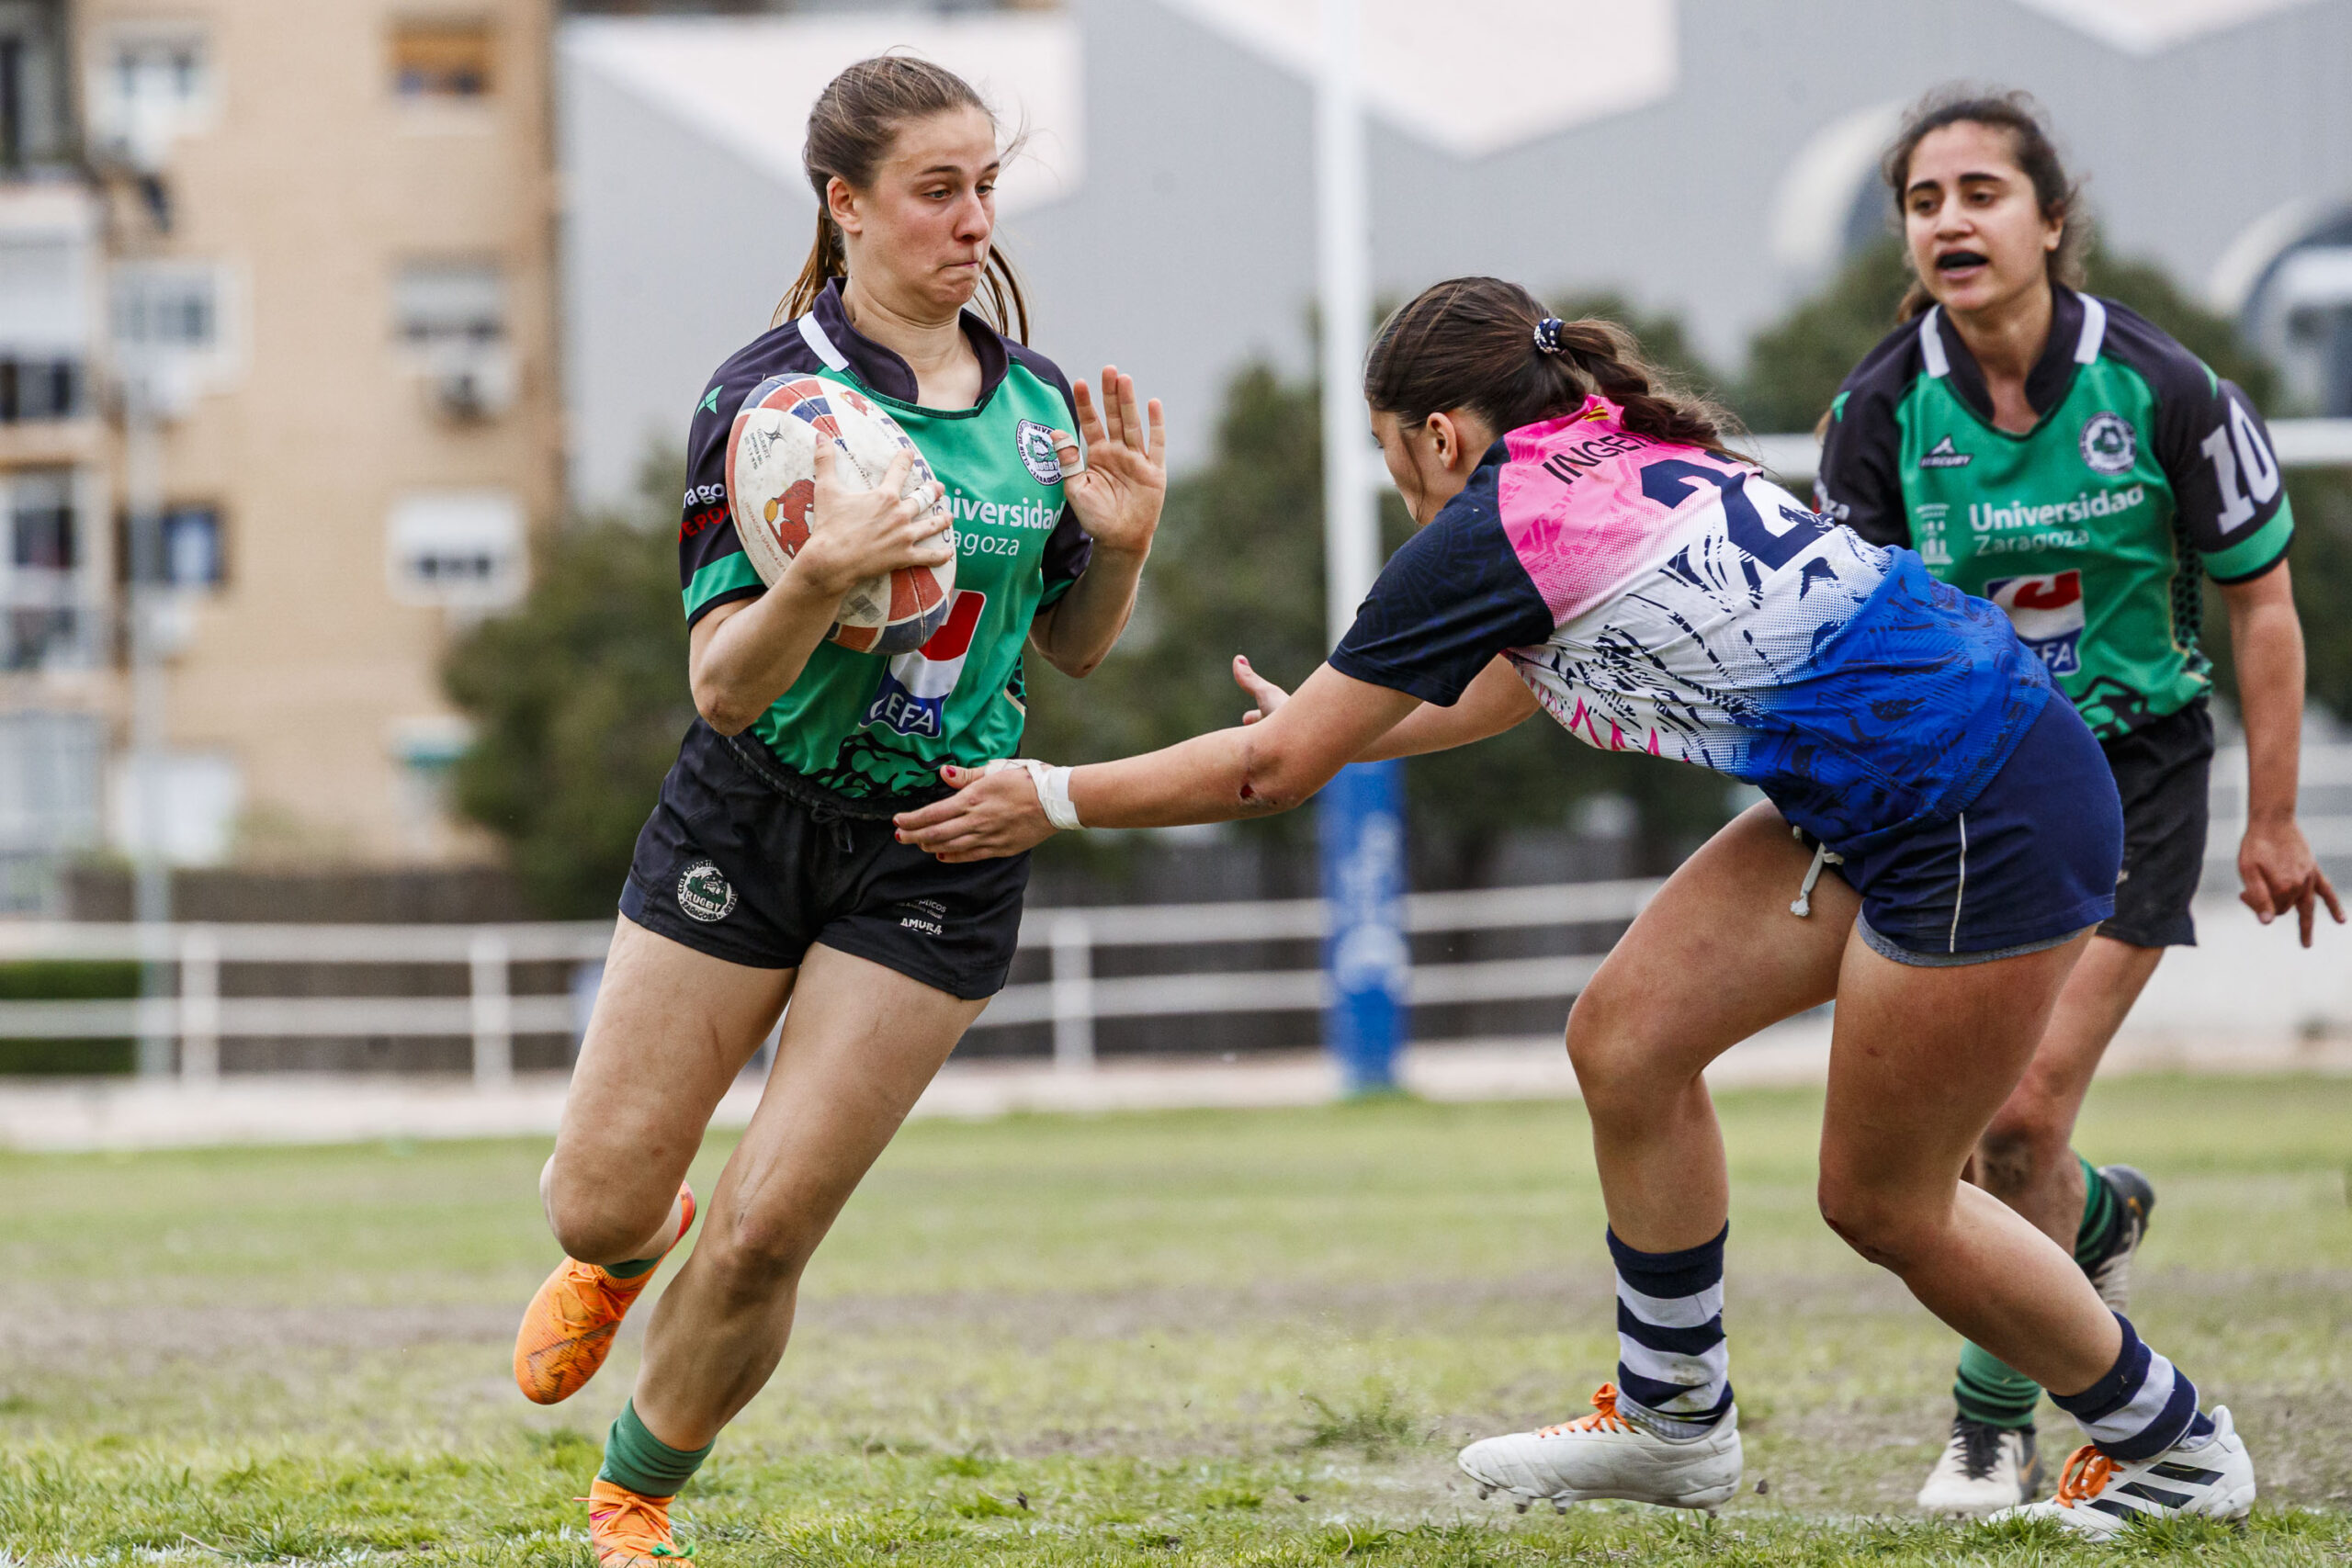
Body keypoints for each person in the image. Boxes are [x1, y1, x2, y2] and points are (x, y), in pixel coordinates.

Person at [896, 276, 2259, 1538]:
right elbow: (1499, 684)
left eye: (1387, 451)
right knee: (1628, 1037)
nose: (1396, 483)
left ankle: (2174, 1443)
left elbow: (1268, 773)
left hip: (1981, 807)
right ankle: (1674, 1422)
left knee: (1885, 1203)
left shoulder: (1494, 515)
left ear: (1436, 433)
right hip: (1908, 788)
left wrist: (1052, 793)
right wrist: (1334, 726)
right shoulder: (1609, 451)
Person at [508, 56, 1167, 1568]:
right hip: (747, 816)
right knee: (600, 1198)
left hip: (940, 846)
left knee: (768, 1226)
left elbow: (1065, 649)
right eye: (938, 189)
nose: (972, 218)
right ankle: (620, 1253)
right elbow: (726, 692)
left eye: (986, 184)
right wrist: (818, 574)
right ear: (846, 203)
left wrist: (1119, 549)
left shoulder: (1041, 408)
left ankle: (636, 1496)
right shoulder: (765, 402)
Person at [1815, 88, 2343, 1514]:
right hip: (1970, 791)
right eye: (1926, 202)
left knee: (2022, 1118)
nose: (1952, 221)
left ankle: (1993, 1427)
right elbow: (1848, 642)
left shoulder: (2164, 389)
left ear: (2052, 222)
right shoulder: (1878, 412)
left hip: (2136, 772)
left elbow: (2265, 606)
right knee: (2016, 1143)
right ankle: (2101, 1220)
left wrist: (2276, 818)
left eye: (1983, 192)